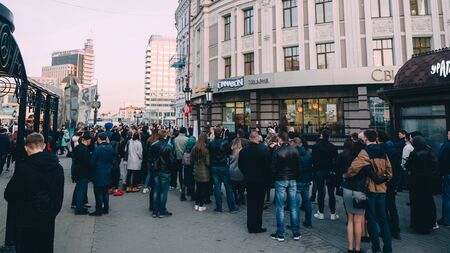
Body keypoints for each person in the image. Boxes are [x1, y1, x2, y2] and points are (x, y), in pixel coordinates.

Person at [4, 133, 64, 253]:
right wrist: (52, 211)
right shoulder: (57, 167)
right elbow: (58, 194)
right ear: (44, 146)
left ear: (26, 147)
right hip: (47, 217)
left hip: (26, 219)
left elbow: (10, 194)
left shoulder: (24, 167)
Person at [348, 129, 392, 253]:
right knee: (383, 219)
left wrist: (346, 176)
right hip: (382, 189)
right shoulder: (383, 151)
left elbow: (353, 168)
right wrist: (383, 179)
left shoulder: (365, 152)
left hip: (370, 188)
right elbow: (390, 172)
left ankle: (376, 248)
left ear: (366, 139)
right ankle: (388, 249)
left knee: (371, 219)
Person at [270, 132, 301, 242]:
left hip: (281, 179)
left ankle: (281, 233)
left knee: (280, 207)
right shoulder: (295, 150)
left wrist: (275, 178)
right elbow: (298, 166)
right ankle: (296, 232)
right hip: (292, 180)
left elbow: (273, 168)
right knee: (293, 206)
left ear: (280, 139)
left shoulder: (277, 151)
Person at [239, 131, 271, 233]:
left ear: (250, 138)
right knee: (259, 204)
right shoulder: (264, 150)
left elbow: (241, 166)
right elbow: (268, 166)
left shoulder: (243, 151)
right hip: (261, 181)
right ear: (257, 138)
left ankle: (250, 226)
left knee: (251, 204)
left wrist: (246, 174)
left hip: (249, 180)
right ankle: (257, 225)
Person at [406, 135, 440, 234]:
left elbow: (409, 166)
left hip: (416, 182)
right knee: (427, 203)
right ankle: (428, 224)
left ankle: (419, 225)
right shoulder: (429, 151)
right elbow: (435, 166)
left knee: (417, 204)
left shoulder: (415, 153)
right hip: (427, 182)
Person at [208, 127, 238, 213]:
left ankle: (219, 207)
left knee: (217, 187)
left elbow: (209, 153)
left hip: (214, 166)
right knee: (228, 187)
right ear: (221, 133)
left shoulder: (211, 143)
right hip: (223, 166)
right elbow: (229, 152)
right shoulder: (225, 142)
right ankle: (232, 207)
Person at [378, 131, 402, 239]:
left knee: (382, 208)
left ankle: (385, 230)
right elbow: (397, 169)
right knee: (392, 206)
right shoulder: (393, 151)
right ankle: (396, 230)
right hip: (392, 182)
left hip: (382, 182)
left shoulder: (379, 150)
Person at [312, 129, 339, 220]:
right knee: (331, 193)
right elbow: (336, 161)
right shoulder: (333, 147)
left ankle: (321, 212)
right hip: (330, 171)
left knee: (320, 192)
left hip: (319, 171)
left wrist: (314, 170)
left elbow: (314, 160)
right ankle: (333, 213)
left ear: (321, 135)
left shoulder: (316, 146)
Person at [149, 129, 174, 218]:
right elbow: (171, 161)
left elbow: (150, 158)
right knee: (163, 191)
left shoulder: (153, 145)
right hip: (165, 171)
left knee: (156, 190)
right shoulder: (169, 147)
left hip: (156, 170)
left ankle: (155, 211)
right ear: (165, 135)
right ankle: (162, 210)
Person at [89, 133, 114, 216]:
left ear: (99, 139)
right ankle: (106, 208)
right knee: (105, 192)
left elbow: (92, 162)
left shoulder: (98, 149)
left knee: (98, 192)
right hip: (108, 172)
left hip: (98, 172)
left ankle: (98, 210)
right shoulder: (110, 148)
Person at [292, 137, 313, 228]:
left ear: (296, 144)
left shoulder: (294, 154)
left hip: (297, 181)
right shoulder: (308, 153)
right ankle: (308, 221)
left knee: (295, 204)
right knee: (307, 202)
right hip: (306, 180)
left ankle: (295, 223)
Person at [72, 133, 92, 215]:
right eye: (90, 140)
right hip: (83, 172)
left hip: (77, 171)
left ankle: (77, 204)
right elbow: (87, 162)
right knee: (82, 190)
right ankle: (79, 208)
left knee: (78, 189)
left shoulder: (77, 148)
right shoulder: (85, 150)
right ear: (86, 140)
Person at [191, 134, 210, 212]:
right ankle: (201, 205)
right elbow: (208, 163)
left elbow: (191, 160)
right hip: (204, 171)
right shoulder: (205, 150)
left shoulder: (194, 148)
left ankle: (196, 204)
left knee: (198, 188)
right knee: (203, 189)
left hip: (196, 170)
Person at [438, 130, 450, 227]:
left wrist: (442, 173)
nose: (447, 135)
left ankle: (447, 220)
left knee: (447, 197)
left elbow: (441, 159)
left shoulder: (446, 146)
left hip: (448, 174)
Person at [173, 127, 189, 199]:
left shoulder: (175, 139)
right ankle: (184, 186)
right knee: (185, 173)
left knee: (180, 173)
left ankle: (181, 186)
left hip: (178, 158)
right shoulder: (187, 139)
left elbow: (174, 149)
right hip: (185, 158)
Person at [230, 137, 245, 205]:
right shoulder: (242, 151)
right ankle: (241, 199)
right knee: (241, 187)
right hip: (240, 171)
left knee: (234, 188)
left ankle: (236, 199)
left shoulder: (231, 150)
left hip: (231, 171)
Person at [110, 132, 124, 196]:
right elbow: (122, 153)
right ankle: (115, 189)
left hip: (110, 162)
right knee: (116, 175)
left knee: (110, 175)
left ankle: (110, 188)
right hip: (116, 161)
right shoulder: (118, 144)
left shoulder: (109, 143)